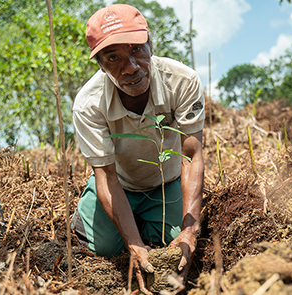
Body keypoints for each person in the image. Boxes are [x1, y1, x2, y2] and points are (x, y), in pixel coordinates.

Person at [71, 4, 204, 294]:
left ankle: (147, 223)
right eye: (113, 57)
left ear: (151, 46)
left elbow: (191, 156)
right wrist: (132, 244)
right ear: (101, 65)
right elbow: (106, 176)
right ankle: (95, 217)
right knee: (106, 247)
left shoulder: (182, 81)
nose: (130, 66)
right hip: (120, 183)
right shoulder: (88, 105)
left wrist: (190, 230)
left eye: (137, 50)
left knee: (174, 244)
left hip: (165, 181)